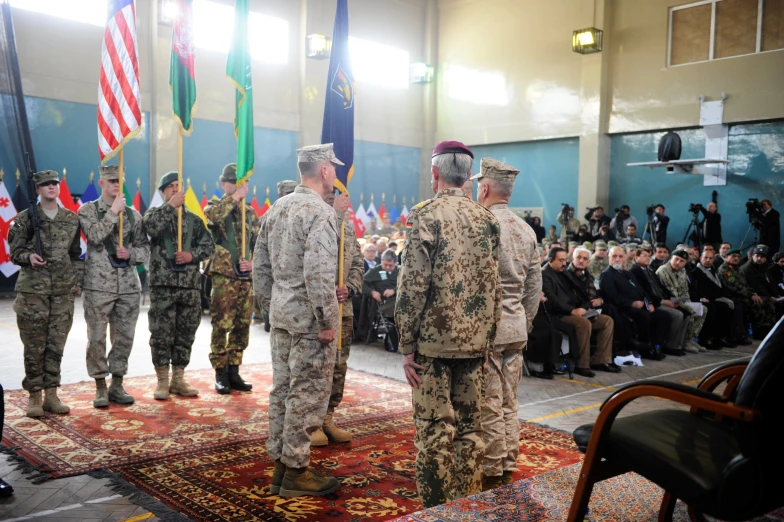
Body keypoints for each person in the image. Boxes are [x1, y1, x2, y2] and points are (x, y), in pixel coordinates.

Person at [395, 140, 501, 508]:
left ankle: (436, 511)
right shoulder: (487, 219)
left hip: (433, 346)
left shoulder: (425, 215)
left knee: (435, 430)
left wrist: (406, 346)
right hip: (475, 343)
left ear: (434, 173)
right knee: (471, 430)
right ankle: (466, 505)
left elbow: (412, 286)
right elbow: (494, 287)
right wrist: (486, 339)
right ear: (469, 178)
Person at [253, 143, 342, 497]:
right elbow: (319, 272)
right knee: (306, 396)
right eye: (333, 168)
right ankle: (296, 470)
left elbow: (260, 269)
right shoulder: (320, 212)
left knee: (283, 391)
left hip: (282, 316)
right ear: (323, 171)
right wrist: (326, 319)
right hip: (309, 323)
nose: (334, 173)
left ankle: (280, 465)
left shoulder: (277, 208)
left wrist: (271, 306)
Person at [472, 157, 542, 490]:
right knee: (509, 402)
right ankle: (509, 463)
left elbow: (472, 285)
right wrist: (523, 323)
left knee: (487, 403)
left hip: (487, 331)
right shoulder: (526, 228)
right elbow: (533, 288)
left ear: (484, 188)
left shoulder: (480, 224)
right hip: (515, 326)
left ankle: (492, 470)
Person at [9, 170, 84, 417]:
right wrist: (29, 256)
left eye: (54, 183)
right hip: (33, 292)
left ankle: (52, 395)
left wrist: (77, 281)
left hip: (62, 292)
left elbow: (75, 255)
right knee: (34, 345)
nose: (51, 186)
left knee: (56, 345)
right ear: (38, 190)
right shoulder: (25, 218)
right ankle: (34, 396)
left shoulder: (71, 219)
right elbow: (15, 252)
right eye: (45, 184)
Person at [79, 165, 149, 408]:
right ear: (101, 183)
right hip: (99, 286)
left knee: (124, 338)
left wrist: (129, 253)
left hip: (129, 286)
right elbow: (95, 236)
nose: (116, 185)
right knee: (96, 337)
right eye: (111, 181)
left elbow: (144, 250)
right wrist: (112, 212)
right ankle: (100, 385)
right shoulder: (87, 210)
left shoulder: (134, 215)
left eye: (119, 180)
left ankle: (117, 384)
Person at [143, 172, 215, 400]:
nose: (175, 190)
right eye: (171, 187)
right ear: (163, 191)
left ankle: (178, 379)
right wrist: (170, 207)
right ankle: (162, 381)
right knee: (161, 334)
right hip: (163, 286)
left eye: (178, 186)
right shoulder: (155, 214)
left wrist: (191, 255)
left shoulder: (194, 220)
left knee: (185, 333)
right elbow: (152, 229)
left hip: (189, 286)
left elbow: (209, 247)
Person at [312, 191, 364, 446]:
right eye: (330, 194)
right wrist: (337, 213)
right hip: (318, 310)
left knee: (339, 365)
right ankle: (311, 421)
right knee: (318, 364)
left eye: (337, 194)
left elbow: (357, 263)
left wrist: (350, 287)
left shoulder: (348, 229)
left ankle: (328, 417)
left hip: (343, 308)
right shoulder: (316, 222)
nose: (335, 198)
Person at [204, 163, 260, 394]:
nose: (239, 187)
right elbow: (215, 218)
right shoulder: (214, 206)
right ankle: (220, 372)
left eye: (242, 183)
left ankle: (234, 370)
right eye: (233, 183)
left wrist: (253, 263)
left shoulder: (252, 214)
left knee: (242, 324)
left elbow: (259, 245)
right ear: (224, 184)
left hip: (245, 278)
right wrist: (236, 197)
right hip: (224, 275)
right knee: (221, 324)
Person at [541, 247, 617, 377]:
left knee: (606, 321)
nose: (565, 263)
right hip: (558, 314)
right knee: (583, 323)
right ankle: (582, 365)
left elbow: (579, 293)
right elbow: (552, 300)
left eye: (565, 260)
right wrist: (572, 310)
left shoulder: (564, 272)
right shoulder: (544, 274)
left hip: (574, 311)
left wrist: (585, 307)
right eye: (561, 260)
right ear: (550, 260)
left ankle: (601, 360)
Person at [599, 247, 668, 360]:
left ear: (625, 258)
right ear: (609, 258)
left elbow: (641, 291)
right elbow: (612, 297)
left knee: (662, 316)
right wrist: (631, 303)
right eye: (614, 256)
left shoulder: (627, 273)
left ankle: (655, 347)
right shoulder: (607, 274)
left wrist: (648, 303)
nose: (617, 259)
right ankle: (645, 350)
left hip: (640, 305)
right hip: (623, 308)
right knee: (643, 316)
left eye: (620, 256)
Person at [627, 248, 690, 355]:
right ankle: (670, 345)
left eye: (649, 256)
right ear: (636, 257)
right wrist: (662, 302)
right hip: (652, 303)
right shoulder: (634, 272)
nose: (648, 258)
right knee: (677, 314)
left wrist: (671, 299)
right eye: (644, 255)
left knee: (686, 313)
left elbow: (661, 287)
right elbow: (644, 292)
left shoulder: (649, 270)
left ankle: (679, 344)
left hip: (661, 300)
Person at [690, 249, 750, 346]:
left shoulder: (713, 270)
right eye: (705, 258)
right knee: (715, 308)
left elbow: (719, 287)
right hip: (705, 298)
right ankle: (707, 339)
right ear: (701, 258)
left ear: (714, 259)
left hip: (714, 297)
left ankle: (723, 337)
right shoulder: (696, 272)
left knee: (730, 306)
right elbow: (697, 289)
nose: (708, 260)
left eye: (710, 258)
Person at [655, 249, 708, 350]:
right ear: (671, 258)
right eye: (676, 259)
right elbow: (672, 293)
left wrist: (688, 303)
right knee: (690, 310)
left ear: (685, 263)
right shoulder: (664, 270)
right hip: (668, 301)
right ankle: (684, 342)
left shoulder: (682, 271)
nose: (678, 263)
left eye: (682, 261)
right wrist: (688, 306)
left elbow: (685, 291)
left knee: (703, 309)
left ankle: (690, 340)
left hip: (680, 300)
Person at [718, 249, 776, 339]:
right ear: (726, 257)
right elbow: (735, 287)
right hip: (733, 296)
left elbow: (745, 284)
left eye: (738, 256)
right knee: (758, 304)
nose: (736, 258)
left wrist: (754, 293)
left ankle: (768, 330)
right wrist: (751, 295)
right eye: (733, 256)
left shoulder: (737, 268)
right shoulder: (725, 270)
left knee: (768, 301)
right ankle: (759, 333)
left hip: (744, 295)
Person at [363, 248, 400, 351]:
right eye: (385, 265)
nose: (387, 268)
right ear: (381, 261)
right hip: (386, 303)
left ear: (395, 263)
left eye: (390, 265)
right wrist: (372, 292)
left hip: (401, 299)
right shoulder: (376, 271)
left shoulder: (400, 271)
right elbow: (361, 283)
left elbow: (409, 284)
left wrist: (394, 290)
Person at [740, 247, 784, 319]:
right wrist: (770, 297)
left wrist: (776, 294)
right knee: (770, 303)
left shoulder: (764, 266)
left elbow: (770, 282)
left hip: (764, 292)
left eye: (762, 256)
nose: (759, 258)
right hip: (753, 293)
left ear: (766, 258)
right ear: (752, 256)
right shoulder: (747, 268)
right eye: (757, 256)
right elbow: (755, 285)